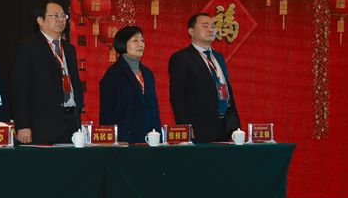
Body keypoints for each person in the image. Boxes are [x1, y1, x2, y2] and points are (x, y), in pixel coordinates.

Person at [11, 1, 83, 145]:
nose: (61, 20)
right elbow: (19, 89)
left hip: (70, 122)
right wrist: (23, 125)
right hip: (42, 124)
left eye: (63, 16)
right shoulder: (28, 47)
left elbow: (74, 82)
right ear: (40, 20)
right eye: (55, 16)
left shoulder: (69, 49)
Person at [168, 12, 241, 143]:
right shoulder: (181, 58)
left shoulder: (218, 57)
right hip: (199, 128)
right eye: (205, 26)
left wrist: (235, 125)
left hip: (227, 126)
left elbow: (225, 90)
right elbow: (177, 97)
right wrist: (185, 127)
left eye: (213, 26)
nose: (211, 29)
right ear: (191, 31)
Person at [99, 25, 162, 143]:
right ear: (123, 44)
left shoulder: (147, 73)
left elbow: (154, 108)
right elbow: (107, 112)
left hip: (150, 138)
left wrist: (158, 136)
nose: (141, 44)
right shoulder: (113, 74)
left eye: (142, 40)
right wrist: (111, 141)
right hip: (125, 139)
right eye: (135, 40)